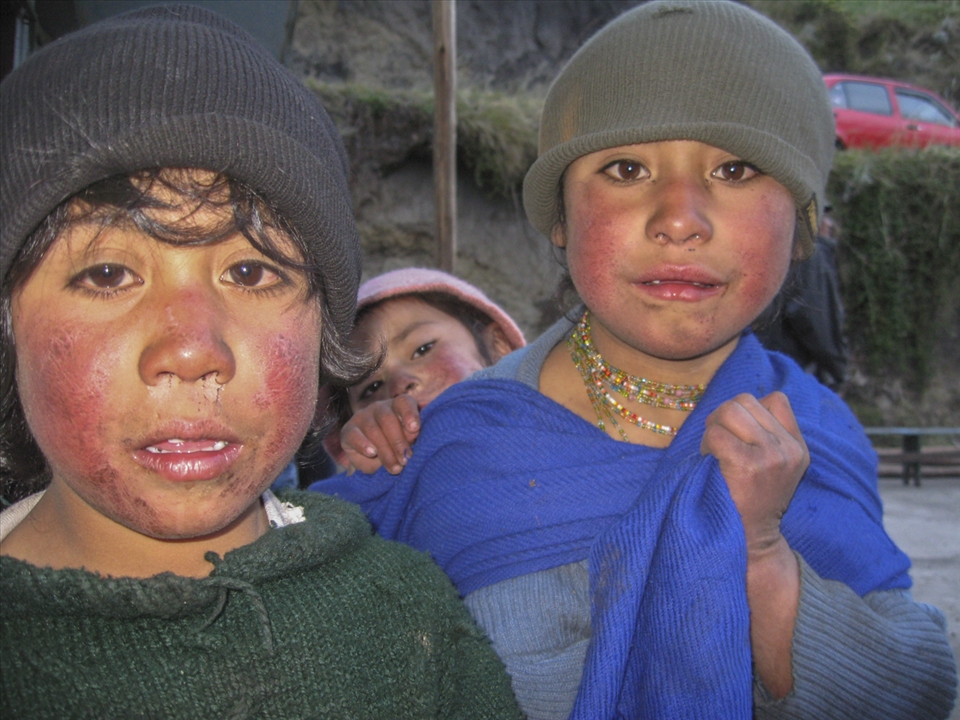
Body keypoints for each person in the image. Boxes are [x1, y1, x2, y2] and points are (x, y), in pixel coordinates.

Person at [312, 2, 958, 719]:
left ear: (802, 227)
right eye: (626, 168)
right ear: (560, 216)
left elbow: (918, 687)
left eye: (736, 168)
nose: (679, 216)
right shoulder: (448, 446)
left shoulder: (814, 433)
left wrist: (765, 562)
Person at [0, 7, 524, 718]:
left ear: (321, 332)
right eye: (107, 276)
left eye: (250, 274)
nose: (191, 350)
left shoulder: (408, 615)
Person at [318, 267, 526, 478]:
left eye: (422, 349)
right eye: (371, 388)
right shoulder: (364, 501)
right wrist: (367, 479)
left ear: (497, 345)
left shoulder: (551, 419)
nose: (400, 384)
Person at [754, 206, 848, 390]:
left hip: (749, 367)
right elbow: (819, 323)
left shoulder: (760, 243)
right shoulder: (808, 255)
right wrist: (838, 371)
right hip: (781, 378)